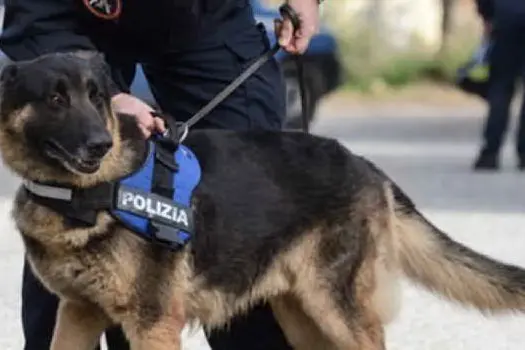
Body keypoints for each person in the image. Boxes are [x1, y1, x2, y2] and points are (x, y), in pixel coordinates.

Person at [0, 0, 321, 349]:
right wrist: (108, 98)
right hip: (75, 19)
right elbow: (37, 21)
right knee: (64, 201)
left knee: (246, 207)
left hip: (206, 18)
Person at [473, 0, 525, 170]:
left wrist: (487, 15)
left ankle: (490, 153)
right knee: (501, 89)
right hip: (506, 19)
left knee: (500, 90)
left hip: (506, 20)